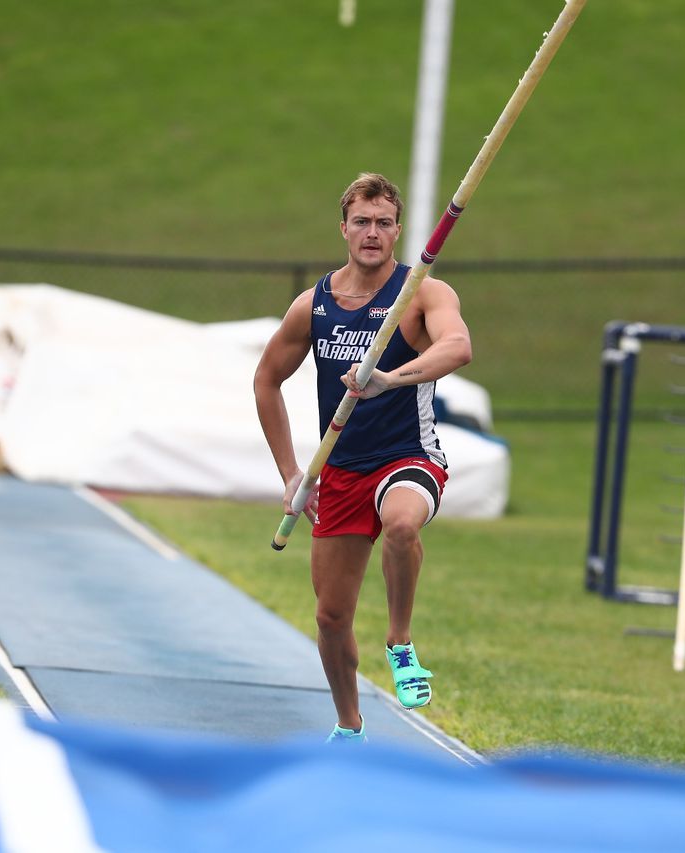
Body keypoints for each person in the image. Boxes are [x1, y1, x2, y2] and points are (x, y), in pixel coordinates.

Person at [253, 173, 472, 744]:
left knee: (402, 523)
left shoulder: (423, 291)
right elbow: (266, 381)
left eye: (383, 222)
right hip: (340, 471)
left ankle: (400, 644)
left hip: (406, 456)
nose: (371, 233)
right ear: (344, 228)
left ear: (398, 230)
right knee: (330, 618)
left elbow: (458, 346)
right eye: (361, 222)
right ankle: (349, 727)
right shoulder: (315, 304)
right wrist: (292, 474)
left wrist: (387, 380)